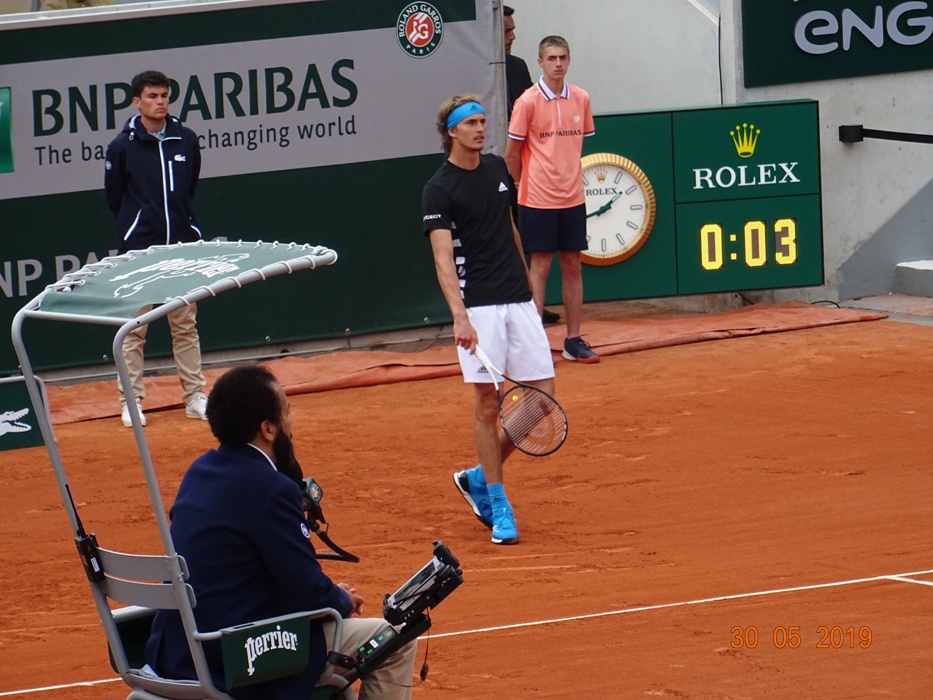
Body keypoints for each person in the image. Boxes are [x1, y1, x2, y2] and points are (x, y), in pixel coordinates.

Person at [144, 365, 417, 699]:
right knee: (395, 638)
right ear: (269, 428)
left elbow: (243, 571)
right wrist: (339, 598)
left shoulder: (199, 471)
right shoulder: (272, 489)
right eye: (287, 412)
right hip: (233, 657)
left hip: (179, 651)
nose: (291, 423)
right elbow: (310, 594)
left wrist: (326, 591)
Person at [422, 95, 556, 545]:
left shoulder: (499, 168)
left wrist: (529, 287)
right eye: (472, 123)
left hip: (516, 301)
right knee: (486, 406)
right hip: (477, 308)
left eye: (483, 121)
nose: (481, 128)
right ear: (452, 132)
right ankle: (499, 504)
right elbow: (442, 259)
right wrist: (459, 316)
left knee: (540, 402)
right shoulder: (438, 189)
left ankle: (480, 475)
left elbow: (510, 228)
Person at [104, 70, 209, 427]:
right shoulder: (122, 146)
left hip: (182, 247)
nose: (160, 102)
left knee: (185, 326)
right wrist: (137, 229)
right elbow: (114, 197)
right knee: (133, 330)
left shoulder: (186, 139)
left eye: (164, 95)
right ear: (137, 101)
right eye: (152, 96)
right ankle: (131, 402)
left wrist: (184, 226)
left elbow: (189, 188)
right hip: (140, 251)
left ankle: (195, 397)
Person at [504, 35, 600, 363]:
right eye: (551, 58)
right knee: (540, 267)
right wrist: (520, 183)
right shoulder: (527, 102)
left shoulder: (582, 98)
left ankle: (574, 340)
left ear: (569, 60)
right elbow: (511, 152)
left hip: (573, 197)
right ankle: (534, 346)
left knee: (573, 264)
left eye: (562, 57)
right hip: (536, 198)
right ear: (540, 62)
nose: (557, 63)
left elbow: (576, 146)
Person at [503, 5, 560, 326]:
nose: (512, 37)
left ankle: (530, 302)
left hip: (519, 166)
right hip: (487, 164)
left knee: (525, 235)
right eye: (506, 31)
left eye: (512, 30)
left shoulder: (518, 67)